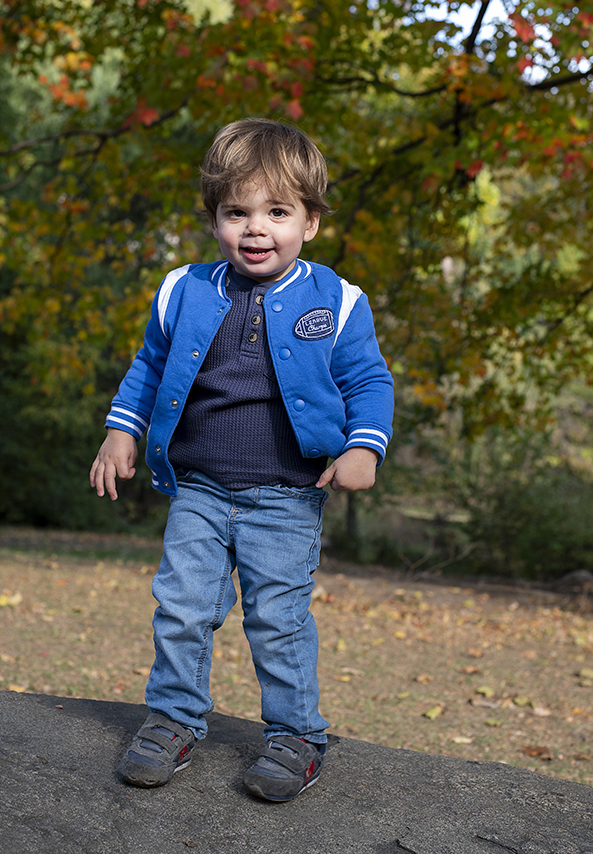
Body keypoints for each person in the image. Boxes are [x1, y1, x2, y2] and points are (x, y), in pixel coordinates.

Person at [90, 118, 394, 802]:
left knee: (277, 620)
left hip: (286, 495)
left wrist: (362, 446)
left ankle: (296, 736)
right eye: (237, 212)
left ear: (310, 222)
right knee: (182, 607)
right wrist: (121, 431)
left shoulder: (337, 301)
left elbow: (369, 381)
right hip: (198, 489)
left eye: (277, 212)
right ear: (215, 219)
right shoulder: (184, 290)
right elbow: (149, 367)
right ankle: (173, 720)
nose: (256, 228)